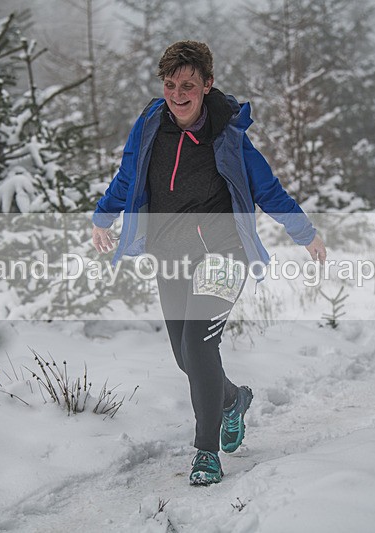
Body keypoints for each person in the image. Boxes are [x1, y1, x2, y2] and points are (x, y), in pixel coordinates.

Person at [91, 41, 326, 486]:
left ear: (207, 85)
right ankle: (233, 399)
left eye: (188, 85)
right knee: (184, 354)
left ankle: (206, 452)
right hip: (170, 255)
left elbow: (268, 190)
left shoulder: (228, 136)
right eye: (170, 84)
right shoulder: (148, 127)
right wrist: (103, 217)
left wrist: (305, 233)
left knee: (199, 347)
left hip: (222, 256)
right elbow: (127, 178)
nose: (178, 94)